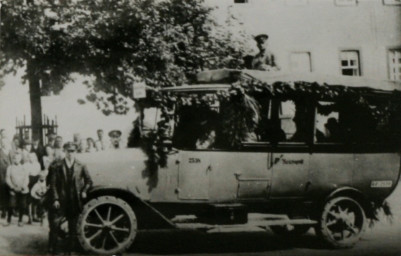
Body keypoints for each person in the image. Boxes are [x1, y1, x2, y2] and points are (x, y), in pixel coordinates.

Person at [49, 142, 93, 254]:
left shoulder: (81, 165)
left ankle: (69, 250)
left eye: (73, 151)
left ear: (76, 151)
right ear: (64, 151)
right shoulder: (57, 166)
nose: (70, 153)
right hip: (61, 200)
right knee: (54, 225)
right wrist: (55, 199)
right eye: (68, 151)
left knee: (73, 227)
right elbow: (53, 184)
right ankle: (53, 249)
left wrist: (84, 191)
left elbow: (89, 181)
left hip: (74, 201)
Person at [5, 150, 29, 226]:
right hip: (13, 189)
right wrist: (12, 187)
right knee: (11, 205)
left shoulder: (24, 167)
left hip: (22, 189)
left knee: (22, 205)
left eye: (18, 158)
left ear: (20, 159)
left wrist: (23, 186)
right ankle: (8, 219)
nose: (16, 160)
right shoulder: (10, 167)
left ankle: (20, 220)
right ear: (13, 159)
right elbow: (7, 178)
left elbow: (26, 178)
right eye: (15, 158)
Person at [0, 139, 10, 218]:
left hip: (10, 176)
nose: (5, 144)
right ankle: (4, 211)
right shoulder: (0, 153)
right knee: (3, 194)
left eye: (6, 142)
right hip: (2, 176)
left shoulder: (10, 152)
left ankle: (9, 210)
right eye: (3, 143)